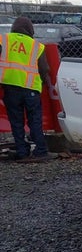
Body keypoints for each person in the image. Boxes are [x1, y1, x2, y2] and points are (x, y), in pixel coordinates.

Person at [0, 16, 55, 162]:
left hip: (10, 87)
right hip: (31, 89)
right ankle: (41, 151)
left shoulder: (3, 40)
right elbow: (44, 68)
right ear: (30, 29)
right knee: (34, 120)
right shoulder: (36, 46)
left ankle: (22, 151)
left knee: (16, 121)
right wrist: (42, 82)